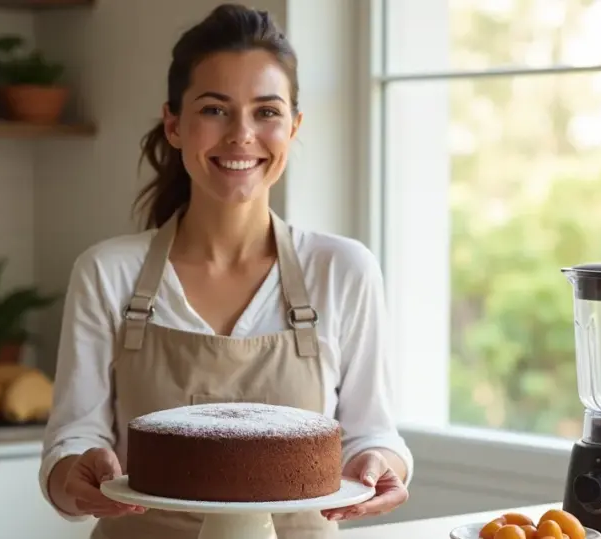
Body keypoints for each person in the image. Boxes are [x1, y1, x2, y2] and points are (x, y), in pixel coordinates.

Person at [39, 3, 413, 538]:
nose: (241, 134)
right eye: (215, 110)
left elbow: (374, 432)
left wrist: (382, 465)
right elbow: (72, 438)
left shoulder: (343, 269)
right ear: (174, 124)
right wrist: (72, 475)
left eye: (267, 112)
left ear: (294, 126)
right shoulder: (107, 273)